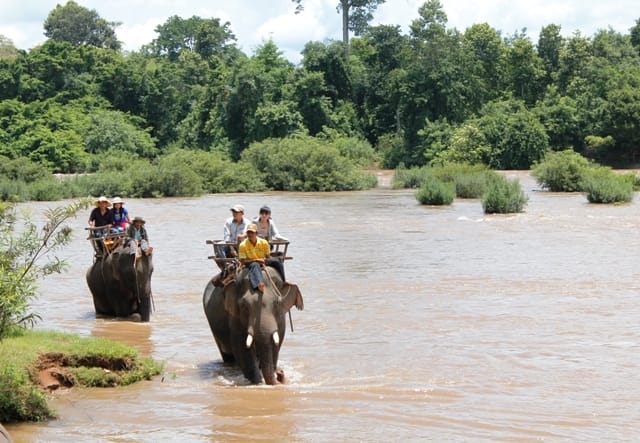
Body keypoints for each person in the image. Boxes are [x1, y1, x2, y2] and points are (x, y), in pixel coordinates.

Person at [238, 223, 287, 293]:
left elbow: (268, 256)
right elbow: (242, 261)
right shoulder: (243, 245)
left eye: (252, 232)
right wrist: (256, 260)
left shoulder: (264, 243)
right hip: (250, 262)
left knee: (278, 261)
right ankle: (259, 284)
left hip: (263, 260)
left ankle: (283, 281)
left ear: (256, 233)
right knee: (255, 265)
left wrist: (266, 260)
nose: (250, 234)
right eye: (248, 232)